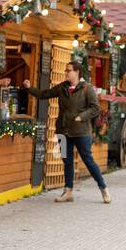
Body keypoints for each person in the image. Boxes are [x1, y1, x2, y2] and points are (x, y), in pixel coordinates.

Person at [24, 61, 110, 204]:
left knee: (88, 161)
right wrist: (29, 88)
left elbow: (95, 108)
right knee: (67, 161)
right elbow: (44, 94)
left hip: (81, 132)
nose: (66, 73)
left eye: (68, 70)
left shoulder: (87, 89)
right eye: (65, 70)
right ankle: (68, 191)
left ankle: (103, 188)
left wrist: (81, 117)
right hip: (63, 131)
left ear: (77, 72)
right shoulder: (63, 87)